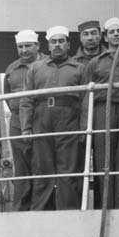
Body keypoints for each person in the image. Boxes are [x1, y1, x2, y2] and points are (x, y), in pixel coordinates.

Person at [20, 25, 85, 210]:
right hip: (41, 119)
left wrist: (83, 128)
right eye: (53, 42)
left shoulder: (79, 68)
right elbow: (26, 99)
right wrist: (26, 127)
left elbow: (86, 101)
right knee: (42, 168)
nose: (57, 45)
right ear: (48, 45)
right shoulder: (35, 68)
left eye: (61, 41)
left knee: (68, 169)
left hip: (69, 119)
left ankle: (68, 212)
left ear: (68, 44)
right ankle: (41, 213)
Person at [82, 17, 119, 209]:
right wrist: (86, 126)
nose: (116, 34)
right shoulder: (95, 63)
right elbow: (87, 95)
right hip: (102, 112)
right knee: (103, 163)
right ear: (105, 37)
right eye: (112, 32)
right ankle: (105, 208)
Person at [3, 29, 46, 211]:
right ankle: (21, 209)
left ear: (37, 45)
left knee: (41, 164)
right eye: (20, 47)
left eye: (28, 46)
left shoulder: (47, 64)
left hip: (41, 118)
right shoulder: (11, 69)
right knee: (21, 166)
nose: (24, 50)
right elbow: (7, 96)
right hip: (17, 120)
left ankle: (41, 208)